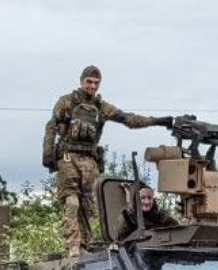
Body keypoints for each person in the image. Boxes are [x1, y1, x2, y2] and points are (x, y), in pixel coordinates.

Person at [42, 65, 174, 257]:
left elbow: (128, 119)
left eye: (96, 83)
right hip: (68, 156)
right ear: (82, 81)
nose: (92, 86)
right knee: (72, 202)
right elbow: (51, 126)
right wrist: (47, 153)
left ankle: (84, 245)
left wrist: (158, 121)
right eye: (89, 82)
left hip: (90, 160)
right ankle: (73, 245)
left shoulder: (101, 107)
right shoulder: (67, 102)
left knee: (87, 204)